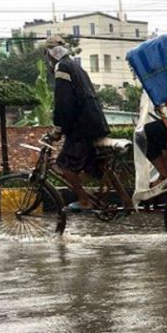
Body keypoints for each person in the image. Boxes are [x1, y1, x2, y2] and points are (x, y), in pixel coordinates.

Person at [44, 35, 111, 212]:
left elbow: (64, 102)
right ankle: (124, 200)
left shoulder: (62, 67)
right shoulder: (75, 66)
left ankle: (84, 201)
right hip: (95, 122)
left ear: (49, 54)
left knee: (64, 165)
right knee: (96, 166)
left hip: (84, 126)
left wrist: (58, 128)